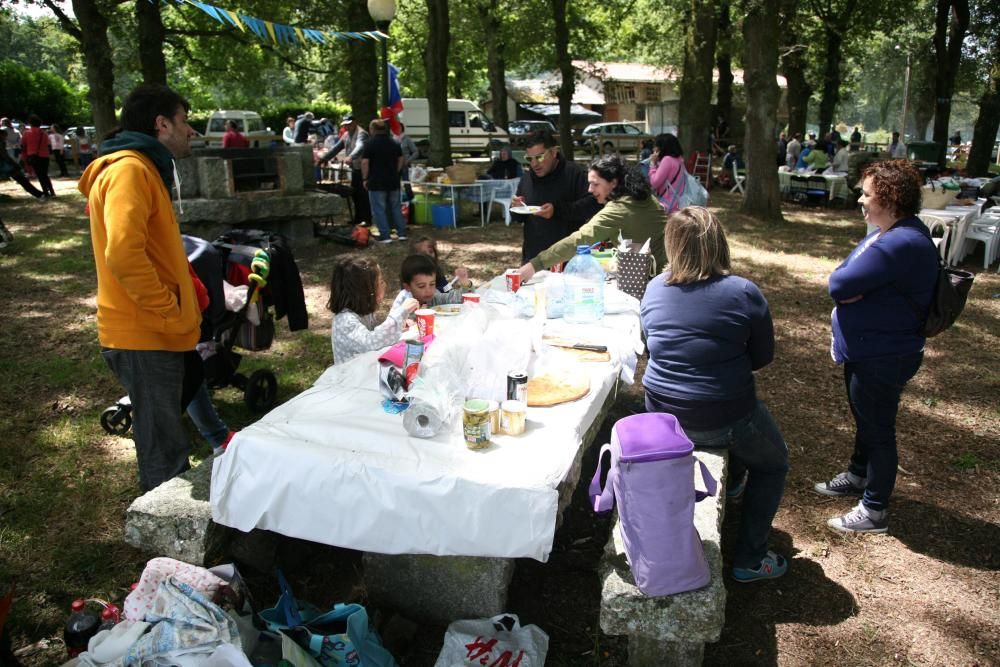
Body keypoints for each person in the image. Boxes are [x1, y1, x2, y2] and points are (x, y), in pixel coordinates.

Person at [641, 206, 789, 582]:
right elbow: (763, 357)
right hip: (722, 416)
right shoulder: (742, 292)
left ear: (671, 246)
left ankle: (735, 478)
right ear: (719, 242)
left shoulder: (655, 287)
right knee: (773, 463)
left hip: (662, 414)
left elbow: (651, 344)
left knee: (746, 429)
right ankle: (751, 558)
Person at [78, 83, 201, 493]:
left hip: (154, 329)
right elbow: (124, 254)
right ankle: (165, 534)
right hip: (145, 331)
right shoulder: (130, 169)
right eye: (184, 121)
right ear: (162, 124)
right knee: (162, 445)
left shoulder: (143, 167)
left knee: (165, 433)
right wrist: (167, 309)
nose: (191, 131)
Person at [815, 160, 938, 533]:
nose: (860, 199)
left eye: (867, 193)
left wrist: (852, 288)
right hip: (871, 350)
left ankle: (875, 509)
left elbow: (838, 285)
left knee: (879, 427)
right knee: (866, 417)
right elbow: (844, 272)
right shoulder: (886, 232)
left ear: (890, 198)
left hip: (883, 355)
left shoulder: (901, 241)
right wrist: (852, 286)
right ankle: (858, 474)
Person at [517, 154, 666, 282]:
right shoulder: (645, 197)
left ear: (613, 182)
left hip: (651, 280)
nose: (590, 190)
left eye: (595, 184)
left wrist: (534, 265)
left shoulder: (618, 209)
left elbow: (578, 240)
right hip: (665, 272)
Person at [512, 129, 600, 264]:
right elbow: (519, 217)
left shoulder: (574, 173)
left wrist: (557, 210)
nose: (534, 164)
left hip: (568, 259)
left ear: (554, 152)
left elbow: (592, 205)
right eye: (530, 159)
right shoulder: (527, 179)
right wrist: (516, 207)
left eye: (540, 157)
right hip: (534, 259)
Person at [327, 255, 418, 364]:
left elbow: (375, 334)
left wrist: (398, 327)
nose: (384, 285)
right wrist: (401, 313)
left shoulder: (363, 312)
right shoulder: (344, 321)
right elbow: (371, 343)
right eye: (380, 282)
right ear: (364, 290)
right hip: (351, 377)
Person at [318, 114, 370, 226]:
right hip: (355, 169)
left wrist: (351, 156)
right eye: (345, 125)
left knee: (363, 195)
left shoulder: (362, 134)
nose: (347, 127)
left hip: (364, 169)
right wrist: (324, 159)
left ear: (355, 123)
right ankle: (358, 218)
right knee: (355, 195)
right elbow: (336, 148)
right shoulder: (346, 135)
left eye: (349, 125)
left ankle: (366, 219)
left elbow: (360, 147)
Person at [361, 119, 406, 244]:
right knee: (396, 207)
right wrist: (396, 172)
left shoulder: (370, 143)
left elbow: (365, 162)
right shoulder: (395, 142)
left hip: (376, 181)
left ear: (373, 129)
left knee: (379, 209)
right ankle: (402, 233)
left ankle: (385, 235)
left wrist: (365, 178)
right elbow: (401, 159)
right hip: (393, 180)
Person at [389, 254, 471, 311]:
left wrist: (465, 283)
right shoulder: (403, 302)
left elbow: (458, 299)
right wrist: (418, 315)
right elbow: (394, 327)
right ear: (408, 287)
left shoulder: (434, 296)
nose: (428, 290)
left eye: (432, 284)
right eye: (421, 286)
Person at [647, 133, 687, 214]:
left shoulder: (667, 160)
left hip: (667, 205)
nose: (654, 148)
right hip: (677, 204)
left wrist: (652, 164)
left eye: (656, 145)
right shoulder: (679, 159)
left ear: (662, 147)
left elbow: (654, 182)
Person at [0, 130, 45, 199]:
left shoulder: (2, 142)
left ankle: (38, 194)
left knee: (22, 179)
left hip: (5, 165)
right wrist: (15, 164)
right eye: (4, 136)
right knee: (22, 179)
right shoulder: (1, 143)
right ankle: (38, 194)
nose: (5, 138)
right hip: (5, 165)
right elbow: (5, 155)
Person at [21, 115, 56, 198]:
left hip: (33, 156)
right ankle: (52, 191)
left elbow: (23, 145)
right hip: (45, 156)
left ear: (30, 123)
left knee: (40, 175)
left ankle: (46, 192)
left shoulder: (26, 133)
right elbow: (48, 144)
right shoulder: (44, 134)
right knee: (45, 174)